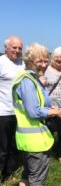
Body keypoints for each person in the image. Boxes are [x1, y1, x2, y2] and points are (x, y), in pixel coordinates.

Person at [12, 43, 61, 186]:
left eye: (46, 60)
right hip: (35, 140)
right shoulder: (28, 81)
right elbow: (34, 112)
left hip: (32, 137)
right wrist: (54, 111)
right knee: (37, 179)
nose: (44, 64)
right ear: (30, 62)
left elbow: (36, 104)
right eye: (40, 61)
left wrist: (49, 106)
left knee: (28, 174)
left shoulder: (33, 78)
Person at [0, 36, 25, 182]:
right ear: (6, 48)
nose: (17, 50)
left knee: (15, 145)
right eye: (14, 47)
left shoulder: (21, 64)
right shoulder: (1, 62)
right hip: (3, 111)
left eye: (20, 48)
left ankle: (9, 174)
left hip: (19, 112)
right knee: (2, 146)